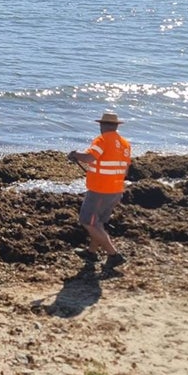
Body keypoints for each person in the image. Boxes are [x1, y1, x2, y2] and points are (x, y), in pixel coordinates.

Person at [67, 110, 132, 271]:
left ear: (102, 125)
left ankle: (113, 255)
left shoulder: (101, 140)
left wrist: (75, 154)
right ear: (116, 126)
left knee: (87, 221)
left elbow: (90, 158)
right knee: (98, 222)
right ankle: (91, 252)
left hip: (100, 190)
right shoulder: (125, 143)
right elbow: (126, 168)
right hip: (116, 189)